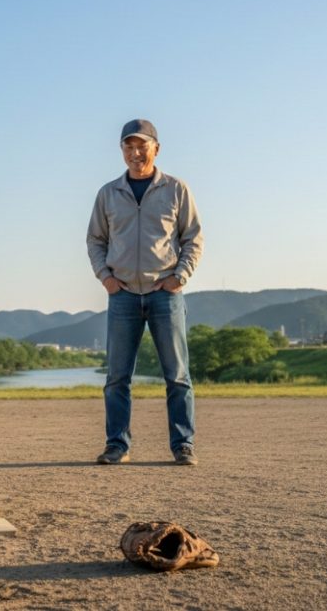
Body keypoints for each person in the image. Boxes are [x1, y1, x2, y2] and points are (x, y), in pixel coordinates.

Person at [87, 119, 204, 466]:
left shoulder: (176, 189)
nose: (135, 153)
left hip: (164, 293)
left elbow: (192, 238)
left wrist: (179, 276)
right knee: (117, 377)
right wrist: (106, 277)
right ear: (122, 150)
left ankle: (183, 445)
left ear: (156, 148)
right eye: (128, 146)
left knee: (177, 375)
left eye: (142, 146)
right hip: (122, 295)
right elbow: (96, 240)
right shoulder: (108, 193)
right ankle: (117, 445)